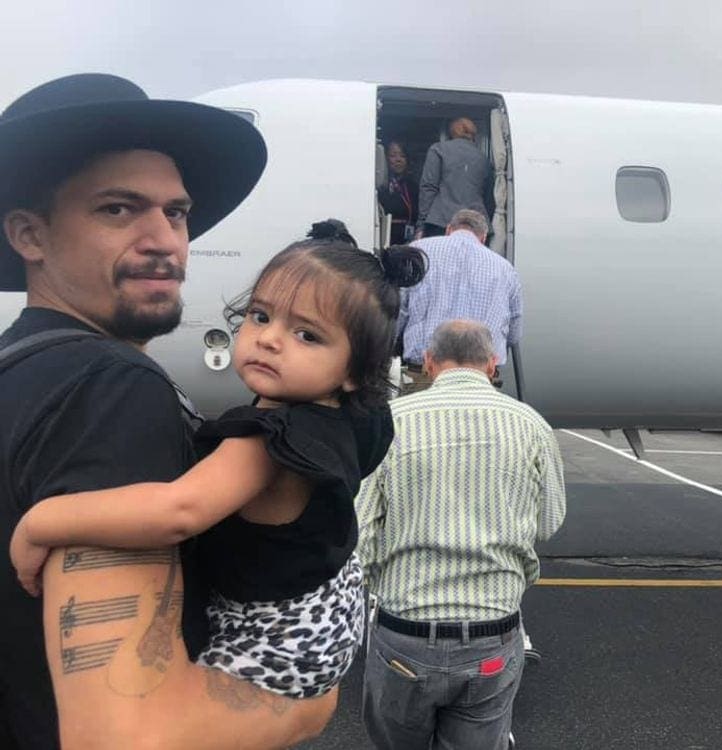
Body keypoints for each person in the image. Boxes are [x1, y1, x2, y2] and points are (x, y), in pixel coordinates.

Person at [0, 72, 323, 749]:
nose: (165, 240)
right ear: (30, 235)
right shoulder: (110, 387)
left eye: (175, 213)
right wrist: (312, 700)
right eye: (118, 210)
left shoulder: (20, 371)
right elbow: (130, 736)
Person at [11, 223, 428, 702]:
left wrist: (42, 522)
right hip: (331, 609)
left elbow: (177, 512)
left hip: (275, 637)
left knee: (149, 709)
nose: (270, 339)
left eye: (307, 335)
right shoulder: (356, 414)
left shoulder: (267, 441)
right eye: (260, 315)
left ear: (355, 372)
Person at [355, 319, 566, 750]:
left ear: (430, 362)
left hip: (404, 633)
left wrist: (379, 578)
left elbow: (357, 531)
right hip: (493, 634)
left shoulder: (391, 421)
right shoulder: (531, 426)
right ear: (492, 364)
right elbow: (549, 522)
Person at [399, 209, 522, 393]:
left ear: (449, 229)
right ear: (483, 237)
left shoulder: (418, 252)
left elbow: (398, 311)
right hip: (482, 380)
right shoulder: (505, 269)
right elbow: (514, 334)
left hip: (426, 376)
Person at [416, 117, 493, 238]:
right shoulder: (484, 159)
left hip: (441, 222)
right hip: (475, 225)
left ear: (451, 132)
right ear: (473, 135)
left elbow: (428, 188)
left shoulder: (438, 149)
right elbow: (489, 198)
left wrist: (421, 226)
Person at [377, 141, 419, 244]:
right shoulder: (380, 185)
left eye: (402, 156)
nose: (398, 160)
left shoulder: (412, 186)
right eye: (393, 155)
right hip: (385, 237)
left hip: (407, 239)